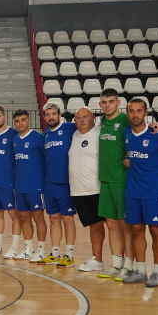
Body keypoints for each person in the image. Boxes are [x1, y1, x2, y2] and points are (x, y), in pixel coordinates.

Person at [120, 98, 158, 287]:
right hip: (132, 191)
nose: (135, 114)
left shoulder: (157, 134)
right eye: (131, 111)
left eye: (139, 111)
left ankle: (157, 272)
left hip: (153, 192)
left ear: (145, 112)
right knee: (136, 230)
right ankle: (140, 270)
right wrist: (127, 158)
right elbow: (128, 155)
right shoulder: (126, 135)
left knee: (156, 230)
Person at [97, 88, 134, 279]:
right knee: (110, 223)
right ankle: (116, 263)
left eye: (110, 101)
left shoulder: (125, 120)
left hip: (121, 180)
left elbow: (138, 136)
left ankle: (129, 264)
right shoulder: (102, 121)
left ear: (118, 102)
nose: (107, 105)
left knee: (124, 224)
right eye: (104, 102)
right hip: (105, 179)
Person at [68, 108, 106, 273]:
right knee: (94, 226)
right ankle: (97, 259)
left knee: (114, 226)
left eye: (85, 117)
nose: (82, 120)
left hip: (98, 188)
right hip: (79, 190)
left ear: (93, 118)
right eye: (78, 118)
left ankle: (122, 261)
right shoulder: (73, 135)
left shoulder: (100, 133)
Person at [41, 103, 77, 266]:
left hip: (66, 183)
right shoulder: (46, 134)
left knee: (67, 218)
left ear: (59, 114)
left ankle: (69, 254)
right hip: (49, 184)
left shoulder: (70, 128)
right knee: (53, 218)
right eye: (47, 115)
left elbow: (90, 126)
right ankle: (55, 252)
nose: (50, 117)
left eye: (53, 114)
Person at [12, 110, 47, 262]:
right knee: (24, 217)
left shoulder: (38, 138)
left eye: (23, 120)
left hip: (35, 186)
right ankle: (28, 248)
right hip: (20, 186)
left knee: (38, 217)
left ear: (29, 121)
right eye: (17, 121)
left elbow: (46, 160)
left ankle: (41, 250)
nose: (20, 123)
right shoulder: (14, 140)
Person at [0, 106, 20, 257]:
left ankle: (14, 248)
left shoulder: (13, 134)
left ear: (4, 117)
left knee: (14, 215)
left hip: (9, 183)